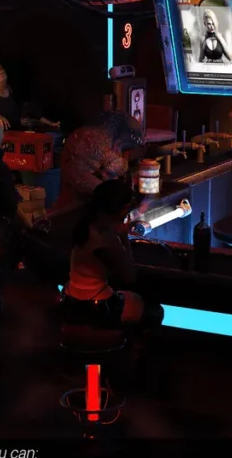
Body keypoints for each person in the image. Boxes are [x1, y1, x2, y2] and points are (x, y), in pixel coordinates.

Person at [61, 180, 163, 336]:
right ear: (120, 209)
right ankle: (132, 347)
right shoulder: (106, 238)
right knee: (154, 311)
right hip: (97, 308)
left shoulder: (85, 225)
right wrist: (124, 238)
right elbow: (129, 276)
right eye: (127, 207)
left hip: (71, 299)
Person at [56, 110, 143, 209]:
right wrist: (125, 159)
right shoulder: (100, 139)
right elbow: (117, 167)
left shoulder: (96, 133)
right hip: (79, 193)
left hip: (74, 188)